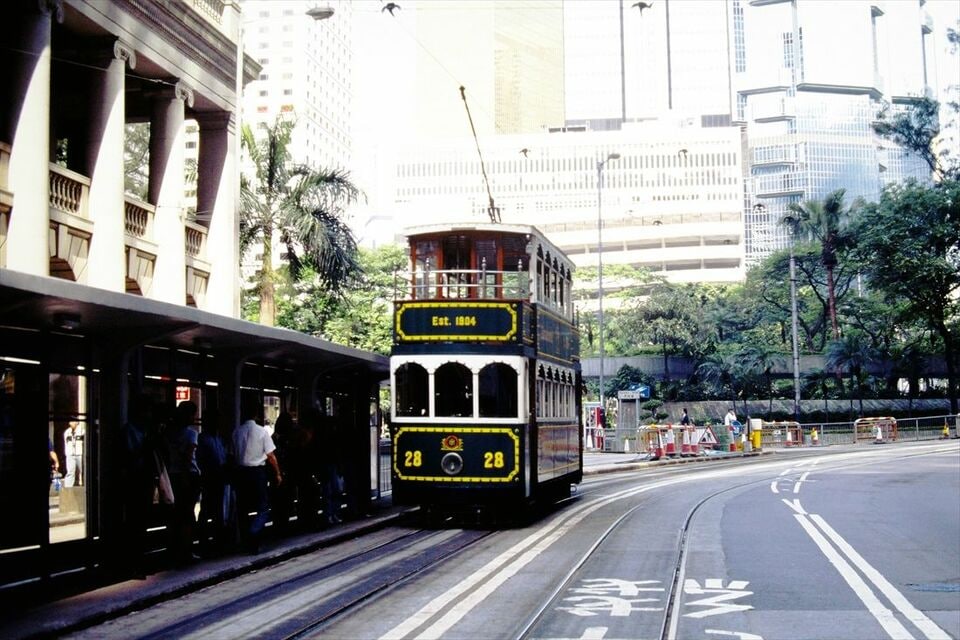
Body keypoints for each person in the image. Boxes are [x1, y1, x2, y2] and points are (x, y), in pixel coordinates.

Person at [231, 397, 282, 554]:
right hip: (257, 473)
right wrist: (278, 473)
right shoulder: (262, 432)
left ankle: (246, 540)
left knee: (242, 508)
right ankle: (254, 533)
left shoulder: (236, 432)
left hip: (240, 472)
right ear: (257, 414)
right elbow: (271, 456)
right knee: (263, 507)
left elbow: (231, 455)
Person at [164, 400, 201, 564]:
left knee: (175, 516)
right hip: (189, 476)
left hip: (171, 476)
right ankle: (186, 551)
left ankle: (173, 549)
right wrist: (187, 477)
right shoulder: (191, 434)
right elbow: (188, 457)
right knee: (188, 514)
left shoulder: (168, 432)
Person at [197, 407, 228, 556]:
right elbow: (201, 460)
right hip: (209, 477)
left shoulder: (219, 439)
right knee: (207, 510)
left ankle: (218, 540)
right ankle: (203, 540)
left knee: (217, 510)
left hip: (220, 477)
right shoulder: (203, 439)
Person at [63, 420, 84, 486]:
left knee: (83, 470)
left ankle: (84, 485)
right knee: (70, 471)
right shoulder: (67, 432)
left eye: (73, 422)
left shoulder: (82, 431)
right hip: (70, 454)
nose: (71, 423)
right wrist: (67, 453)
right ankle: (68, 488)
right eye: (70, 422)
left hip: (80, 453)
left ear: (77, 422)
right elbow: (66, 443)